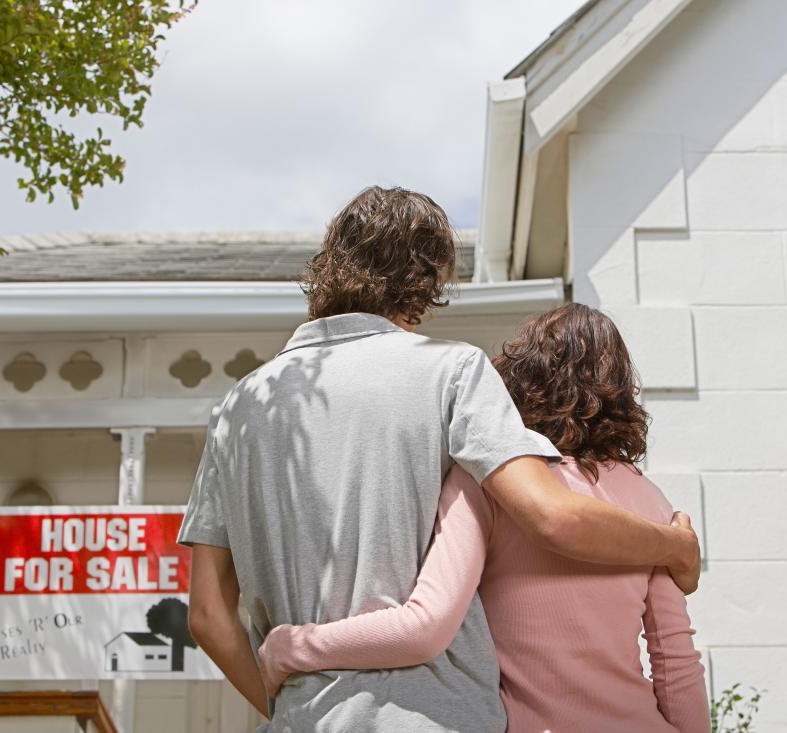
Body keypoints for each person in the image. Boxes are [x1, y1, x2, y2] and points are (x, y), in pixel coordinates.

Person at [178, 186, 701, 733]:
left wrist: (288, 703)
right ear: (425, 282)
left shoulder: (240, 407)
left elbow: (209, 616)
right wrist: (675, 545)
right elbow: (554, 515)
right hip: (435, 715)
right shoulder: (453, 372)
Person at [258, 303, 710, 733]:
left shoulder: (489, 484)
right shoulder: (653, 504)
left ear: (523, 378)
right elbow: (675, 662)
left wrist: (293, 646)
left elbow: (424, 627)